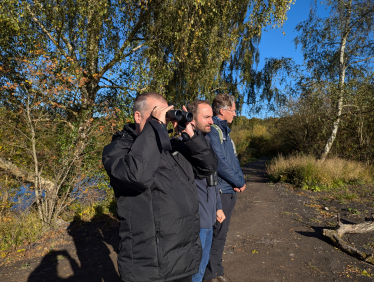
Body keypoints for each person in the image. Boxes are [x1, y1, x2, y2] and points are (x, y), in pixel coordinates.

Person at [102, 92, 218, 282]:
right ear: (137, 116)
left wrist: (190, 135)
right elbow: (135, 176)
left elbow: (208, 167)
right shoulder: (118, 149)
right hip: (149, 268)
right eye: (157, 114)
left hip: (183, 262)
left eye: (165, 114)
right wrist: (156, 126)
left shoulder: (173, 148)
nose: (162, 120)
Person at [203, 94, 246, 282]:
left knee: (222, 233)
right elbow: (218, 163)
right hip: (220, 191)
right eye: (233, 110)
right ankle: (210, 275)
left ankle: (217, 270)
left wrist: (240, 181)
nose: (235, 114)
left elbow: (234, 160)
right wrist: (237, 181)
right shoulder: (213, 131)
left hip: (229, 190)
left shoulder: (225, 132)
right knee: (215, 234)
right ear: (223, 111)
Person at [186, 100, 226, 282]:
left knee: (202, 266)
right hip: (197, 218)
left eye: (212, 117)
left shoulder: (207, 141)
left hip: (209, 215)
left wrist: (218, 206)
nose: (212, 121)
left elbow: (213, 179)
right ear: (192, 120)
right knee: (194, 268)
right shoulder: (184, 146)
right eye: (207, 117)